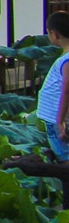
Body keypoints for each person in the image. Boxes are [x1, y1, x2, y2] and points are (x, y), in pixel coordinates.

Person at [38, 12, 69, 160]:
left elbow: (67, 90)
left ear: (54, 34)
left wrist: (60, 121)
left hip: (57, 118)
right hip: (55, 117)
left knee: (64, 157)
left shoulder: (67, 60)